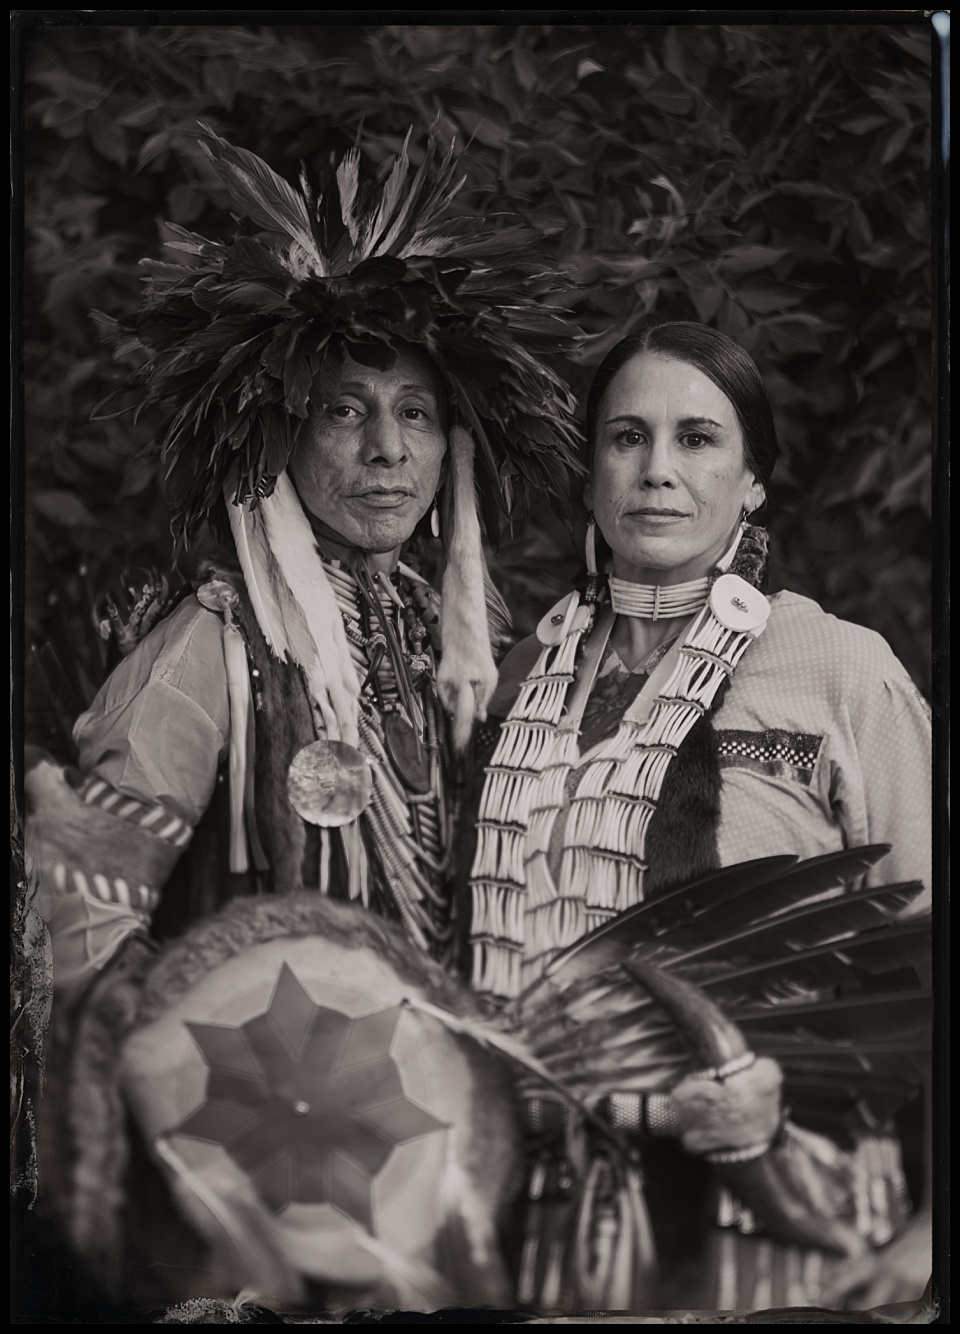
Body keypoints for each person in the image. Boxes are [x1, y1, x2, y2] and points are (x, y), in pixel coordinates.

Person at [21, 122, 584, 1307]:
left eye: (417, 413)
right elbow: (83, 927)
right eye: (344, 412)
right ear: (281, 436)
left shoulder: (461, 653)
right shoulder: (207, 653)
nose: (388, 451)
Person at [463, 320, 933, 1313]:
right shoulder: (524, 680)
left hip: (777, 1215)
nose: (657, 471)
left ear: (752, 479)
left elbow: (927, 948)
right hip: (542, 1216)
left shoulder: (841, 670)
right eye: (627, 438)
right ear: (592, 469)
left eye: (698, 438)